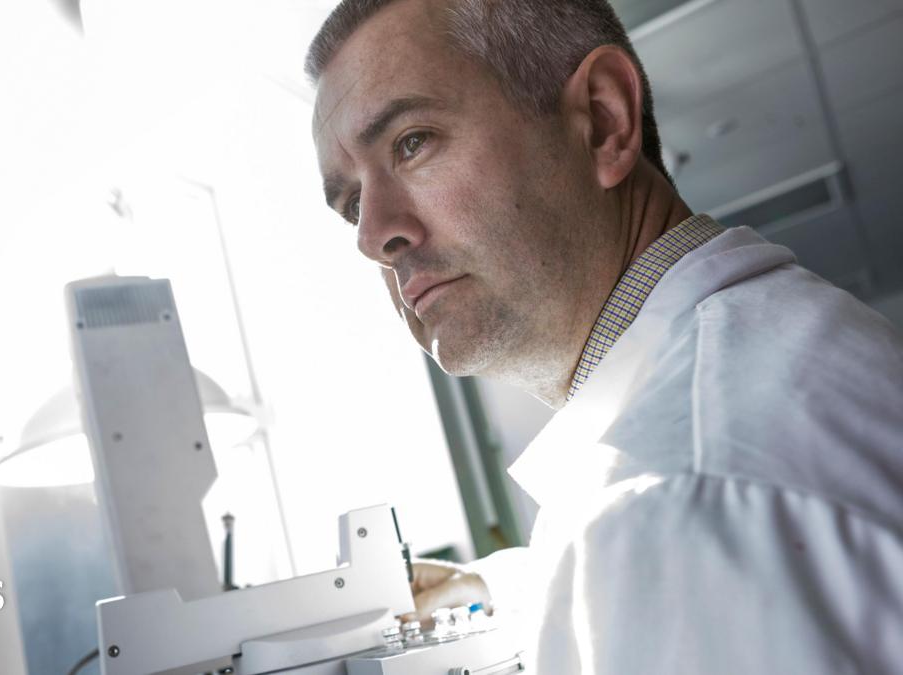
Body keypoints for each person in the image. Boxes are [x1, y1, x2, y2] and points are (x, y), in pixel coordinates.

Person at [305, 0, 903, 672]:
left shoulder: (666, 507)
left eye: (412, 142)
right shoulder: (778, 357)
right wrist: (491, 585)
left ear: (603, 120)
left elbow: (675, 531)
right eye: (352, 200)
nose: (373, 235)